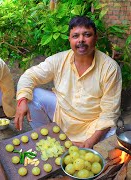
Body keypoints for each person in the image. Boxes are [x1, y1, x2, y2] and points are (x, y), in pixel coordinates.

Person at [14, 16, 122, 148]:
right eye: (75, 36)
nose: (81, 40)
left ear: (95, 37)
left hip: (92, 123)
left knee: (112, 131)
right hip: (62, 115)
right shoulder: (59, 60)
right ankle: (47, 139)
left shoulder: (110, 68)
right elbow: (29, 76)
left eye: (87, 35)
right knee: (32, 96)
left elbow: (109, 112)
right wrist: (22, 101)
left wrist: (90, 142)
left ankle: (84, 143)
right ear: (70, 39)